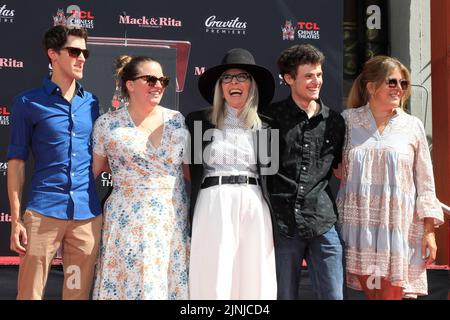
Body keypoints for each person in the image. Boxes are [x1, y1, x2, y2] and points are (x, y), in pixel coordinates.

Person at [336, 55, 444, 299]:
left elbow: (426, 184)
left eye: (403, 83)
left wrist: (429, 232)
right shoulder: (348, 121)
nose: (399, 88)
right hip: (357, 229)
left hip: (398, 230)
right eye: (392, 82)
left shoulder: (412, 125)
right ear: (371, 87)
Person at [7, 25, 102, 300]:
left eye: (85, 52)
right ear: (53, 54)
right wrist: (16, 220)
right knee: (30, 294)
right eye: (74, 51)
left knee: (76, 294)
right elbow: (16, 162)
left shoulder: (92, 103)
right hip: (43, 213)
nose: (81, 57)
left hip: (86, 216)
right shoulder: (27, 102)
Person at [91, 55, 190, 300]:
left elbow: (190, 172)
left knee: (165, 284)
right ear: (130, 84)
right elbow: (95, 170)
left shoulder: (177, 121)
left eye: (163, 80)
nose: (158, 85)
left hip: (171, 217)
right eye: (150, 79)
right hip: (127, 220)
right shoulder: (107, 124)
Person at [186, 48, 278, 299]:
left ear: (252, 85)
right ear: (219, 86)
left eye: (242, 77)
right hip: (213, 202)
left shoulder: (269, 127)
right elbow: (186, 168)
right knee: (214, 273)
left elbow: (272, 174)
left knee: (254, 275)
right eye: (227, 78)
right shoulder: (197, 122)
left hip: (254, 202)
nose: (234, 82)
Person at [261, 44, 345, 300]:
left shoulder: (335, 121)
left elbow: (339, 167)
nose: (316, 81)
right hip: (283, 223)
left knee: (333, 295)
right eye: (308, 75)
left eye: (319, 75)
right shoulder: (270, 118)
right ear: (289, 78)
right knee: (283, 296)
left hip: (322, 222)